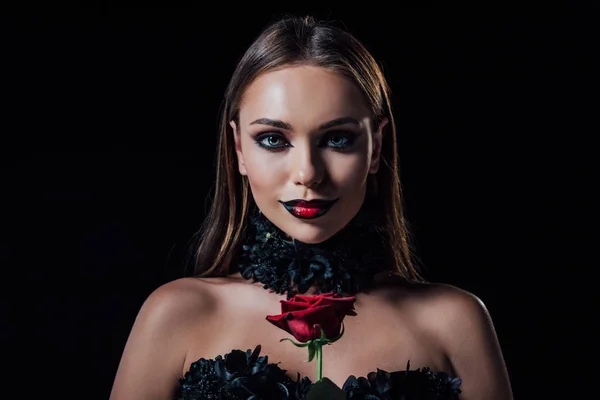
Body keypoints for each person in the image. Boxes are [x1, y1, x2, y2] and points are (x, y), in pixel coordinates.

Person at [110, 15, 513, 400]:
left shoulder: (456, 321)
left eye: (337, 139)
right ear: (238, 150)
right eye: (273, 139)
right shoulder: (176, 314)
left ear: (376, 147)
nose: (308, 173)